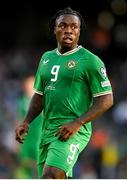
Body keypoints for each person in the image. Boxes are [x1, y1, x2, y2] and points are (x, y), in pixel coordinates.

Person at [15, 7, 113, 179]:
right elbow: (39, 96)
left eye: (74, 27)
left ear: (79, 31)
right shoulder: (46, 58)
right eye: (63, 25)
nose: (69, 30)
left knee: (51, 175)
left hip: (72, 130)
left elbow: (106, 99)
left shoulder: (90, 60)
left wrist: (78, 122)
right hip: (47, 131)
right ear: (55, 29)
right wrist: (27, 121)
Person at [15, 75, 42, 178]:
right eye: (26, 85)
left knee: (39, 164)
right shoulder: (22, 101)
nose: (28, 87)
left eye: (31, 85)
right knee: (24, 163)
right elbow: (19, 118)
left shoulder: (41, 100)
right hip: (26, 139)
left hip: (38, 137)